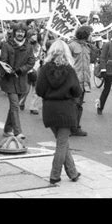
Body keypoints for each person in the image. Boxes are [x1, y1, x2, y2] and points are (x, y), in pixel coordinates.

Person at [36, 39, 82, 184]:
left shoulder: (44, 69)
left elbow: (39, 90)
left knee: (63, 142)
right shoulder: (69, 70)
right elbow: (77, 91)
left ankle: (73, 173)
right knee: (62, 144)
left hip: (49, 109)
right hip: (66, 109)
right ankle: (55, 175)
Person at [0, 22, 35, 140]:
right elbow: (3, 60)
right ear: (14, 32)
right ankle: (17, 131)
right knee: (15, 105)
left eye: (22, 32)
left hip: (21, 79)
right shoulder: (6, 44)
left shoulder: (29, 46)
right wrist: (7, 68)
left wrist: (21, 70)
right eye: (18, 31)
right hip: (9, 79)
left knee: (14, 106)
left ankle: (7, 129)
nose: (20, 34)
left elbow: (31, 62)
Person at [68, 25, 92, 136]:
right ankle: (69, 128)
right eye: (90, 34)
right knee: (72, 104)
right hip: (74, 80)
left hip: (84, 81)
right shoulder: (71, 46)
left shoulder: (87, 47)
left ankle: (76, 127)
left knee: (79, 105)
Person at [19, 29, 42, 115]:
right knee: (26, 89)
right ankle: (21, 102)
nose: (35, 36)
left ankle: (33, 106)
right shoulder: (25, 46)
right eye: (33, 34)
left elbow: (41, 58)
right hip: (27, 70)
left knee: (36, 90)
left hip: (38, 69)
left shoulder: (40, 46)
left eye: (36, 34)